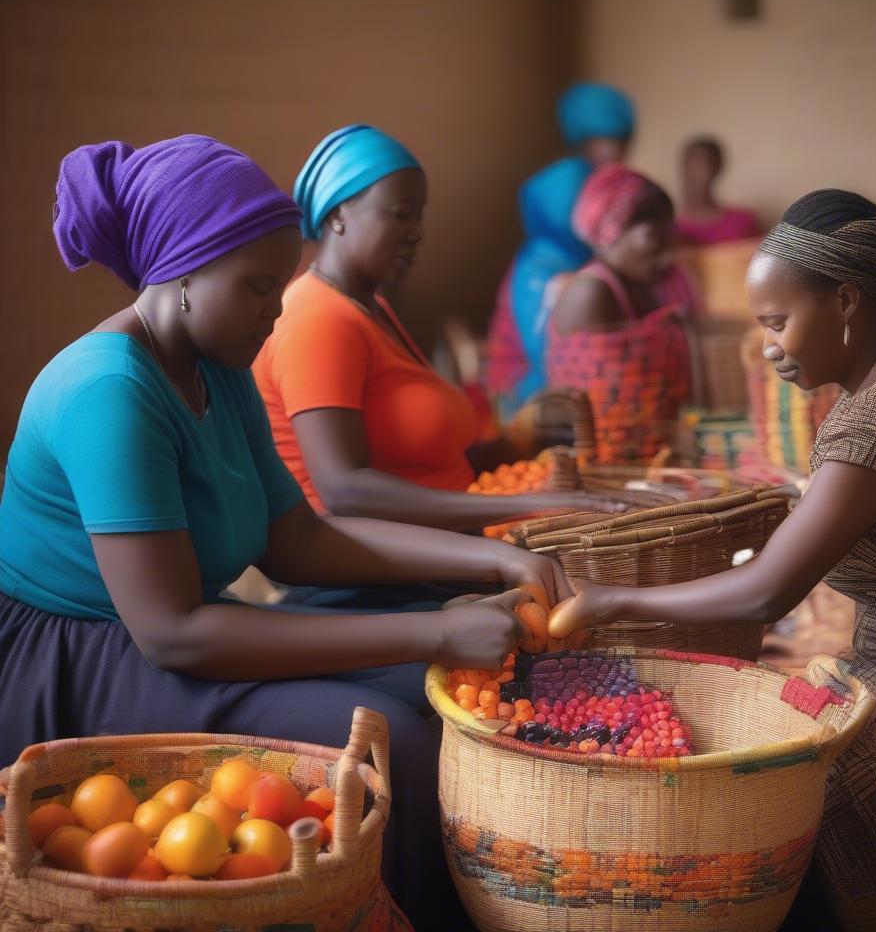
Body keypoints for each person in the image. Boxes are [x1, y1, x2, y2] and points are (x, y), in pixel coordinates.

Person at [0, 134, 573, 928]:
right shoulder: (109, 392)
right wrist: (435, 628)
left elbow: (298, 539)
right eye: (260, 289)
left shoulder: (219, 370)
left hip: (176, 632)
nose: (277, 312)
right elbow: (174, 633)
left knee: (439, 697)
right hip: (85, 656)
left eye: (282, 287)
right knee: (392, 741)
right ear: (182, 271)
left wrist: (491, 560)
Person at [550, 189, 876, 931]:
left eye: (778, 322)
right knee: (790, 713)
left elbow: (766, 592)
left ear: (844, 300)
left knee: (829, 763)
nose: (768, 346)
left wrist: (609, 598)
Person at [252, 125, 617, 531]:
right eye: (400, 214)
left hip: (436, 540)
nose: (417, 232)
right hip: (367, 567)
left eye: (420, 214)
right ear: (338, 215)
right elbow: (345, 490)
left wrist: (527, 447)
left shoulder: (371, 308)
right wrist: (525, 504)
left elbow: (427, 462)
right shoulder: (316, 317)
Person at [485, 82, 635, 416]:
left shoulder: (585, 255)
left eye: (620, 141)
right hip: (529, 399)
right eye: (601, 140)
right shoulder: (540, 270)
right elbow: (560, 358)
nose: (613, 152)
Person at [547, 164, 693, 462]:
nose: (667, 255)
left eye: (669, 237)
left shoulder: (640, 285)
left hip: (644, 451)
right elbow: (608, 411)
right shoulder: (591, 292)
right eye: (653, 237)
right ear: (610, 230)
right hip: (601, 462)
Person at [673, 136, 760, 245]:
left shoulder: (742, 221)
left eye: (704, 165)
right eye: (691, 165)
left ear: (717, 169)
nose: (696, 174)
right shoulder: (666, 229)